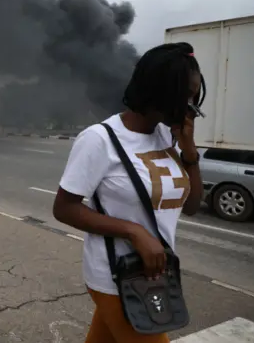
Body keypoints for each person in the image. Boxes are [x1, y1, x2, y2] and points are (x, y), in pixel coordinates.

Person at [52, 42, 205, 343]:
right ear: (158, 91)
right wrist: (133, 231)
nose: (192, 107)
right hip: (118, 277)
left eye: (194, 96)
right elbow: (64, 208)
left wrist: (189, 151)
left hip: (152, 275)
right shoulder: (100, 139)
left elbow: (192, 206)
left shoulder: (168, 137)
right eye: (185, 95)